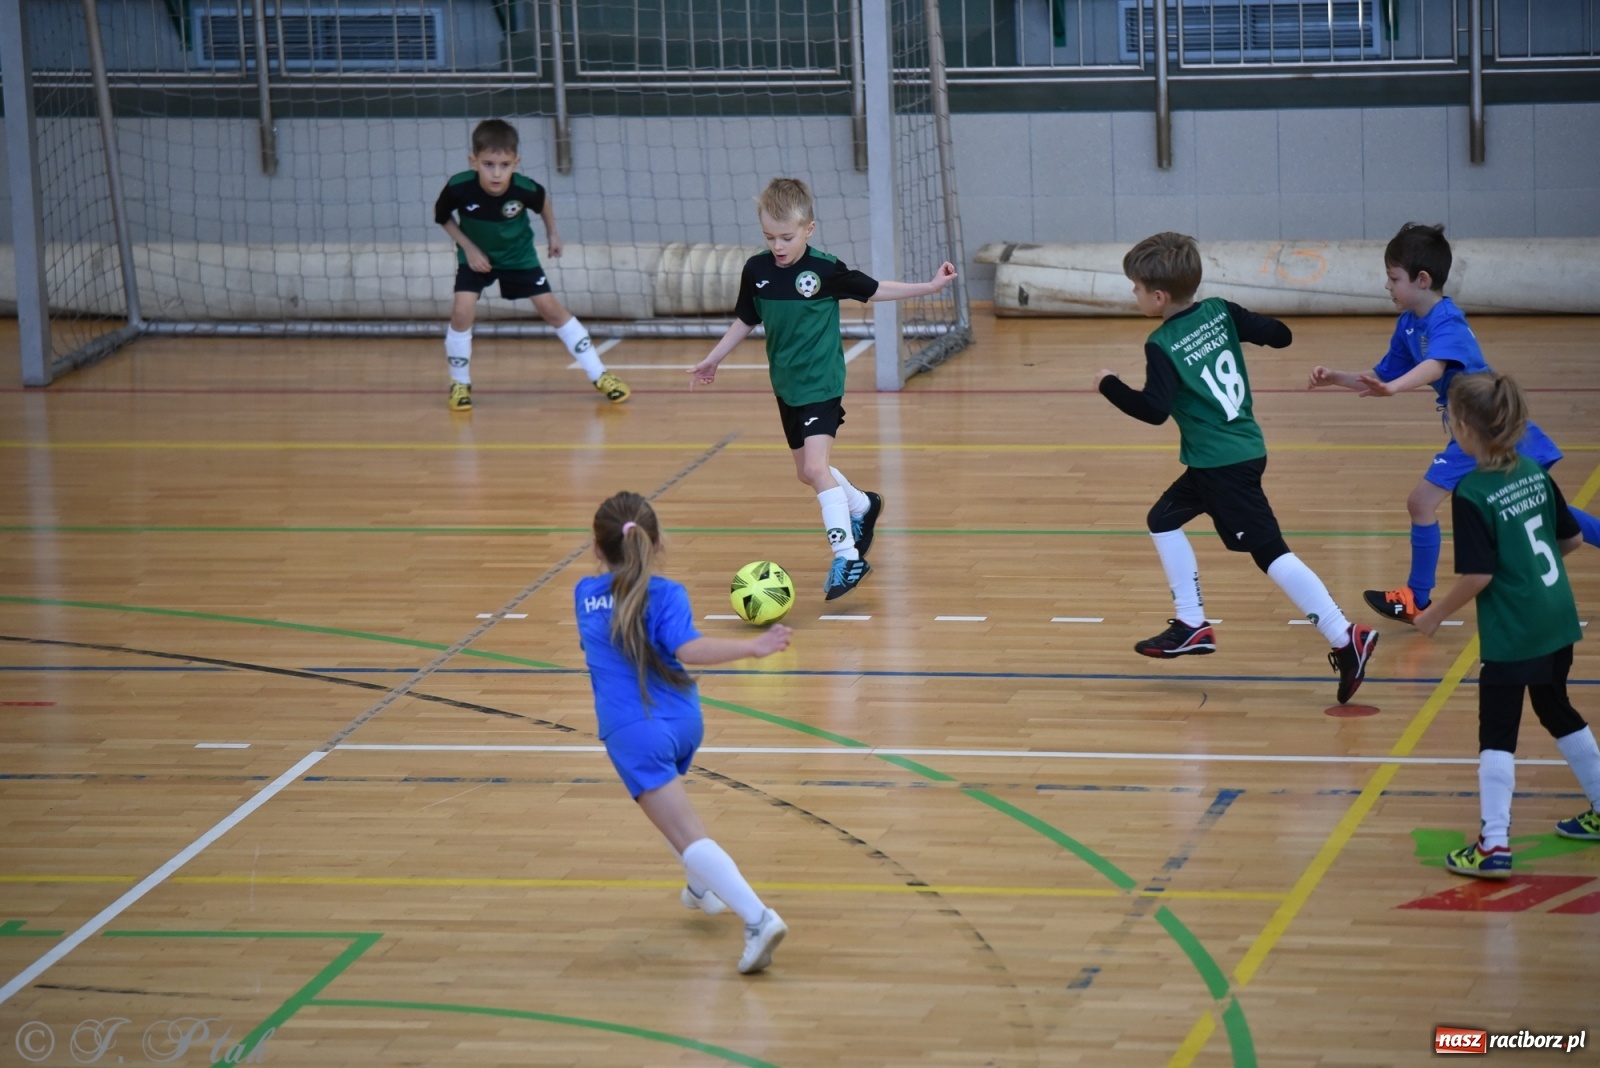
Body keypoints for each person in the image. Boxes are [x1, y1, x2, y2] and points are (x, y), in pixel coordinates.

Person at [1096, 232, 1379, 704]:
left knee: (1272, 554)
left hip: (1224, 466)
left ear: (1159, 296)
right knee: (1162, 520)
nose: (1134, 294)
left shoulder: (1162, 342)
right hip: (1234, 452)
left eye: (1136, 288)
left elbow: (1153, 410)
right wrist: (1249, 331)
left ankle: (1343, 633)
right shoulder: (1220, 310)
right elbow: (1281, 335)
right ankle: (1191, 624)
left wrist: (1107, 384)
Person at [1307, 222, 1599, 624]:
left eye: (1393, 278)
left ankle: (1416, 598)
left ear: (1422, 280)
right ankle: (1417, 596)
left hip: (1489, 424)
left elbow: (1434, 365)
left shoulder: (1449, 321)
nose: (1387, 286)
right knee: (1548, 509)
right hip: (1474, 426)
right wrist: (1335, 377)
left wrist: (1394, 390)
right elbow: (1382, 375)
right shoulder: (1409, 324)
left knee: (1422, 502)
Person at [689, 177, 957, 600]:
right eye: (769, 237)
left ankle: (847, 558)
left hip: (822, 384)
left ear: (808, 229)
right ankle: (863, 506)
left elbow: (875, 289)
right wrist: (714, 358)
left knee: (816, 468)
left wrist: (929, 287)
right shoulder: (757, 270)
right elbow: (745, 318)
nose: (778, 246)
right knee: (806, 472)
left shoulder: (823, 269)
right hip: (786, 386)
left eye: (787, 237)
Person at [575, 491, 793, 973]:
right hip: (684, 720)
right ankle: (699, 887)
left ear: (597, 548)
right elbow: (687, 649)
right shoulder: (669, 594)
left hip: (634, 731)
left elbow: (649, 628)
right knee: (672, 815)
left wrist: (754, 649)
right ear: (655, 543)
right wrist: (751, 647)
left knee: (686, 831)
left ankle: (758, 918)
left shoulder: (583, 597)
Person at [1412, 373, 1600, 877]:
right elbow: (1572, 541)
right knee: (1555, 705)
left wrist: (1433, 614)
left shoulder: (1472, 492)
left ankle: (1493, 845)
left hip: (1514, 630)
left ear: (1466, 430)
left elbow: (1478, 574)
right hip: (1557, 615)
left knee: (1497, 734)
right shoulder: (1534, 470)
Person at [433, 119, 630, 412]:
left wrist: (552, 233)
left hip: (518, 257)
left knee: (551, 310)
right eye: (488, 164)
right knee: (462, 312)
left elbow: (544, 204)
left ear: (516, 162)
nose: (496, 173)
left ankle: (600, 374)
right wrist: (469, 248)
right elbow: (442, 217)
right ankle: (460, 383)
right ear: (473, 161)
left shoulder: (526, 190)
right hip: (476, 258)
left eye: (504, 164)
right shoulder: (459, 187)